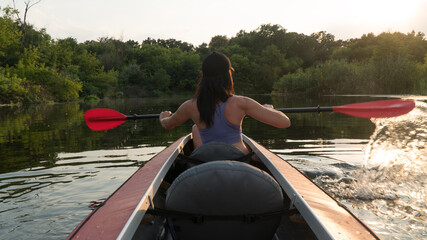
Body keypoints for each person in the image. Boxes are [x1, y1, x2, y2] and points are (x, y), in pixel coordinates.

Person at [159, 52, 290, 155]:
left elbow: (168, 125)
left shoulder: (190, 106)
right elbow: (285, 122)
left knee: (195, 128)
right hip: (239, 162)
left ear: (203, 76)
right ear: (228, 74)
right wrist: (268, 109)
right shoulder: (241, 103)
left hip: (208, 163)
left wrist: (164, 117)